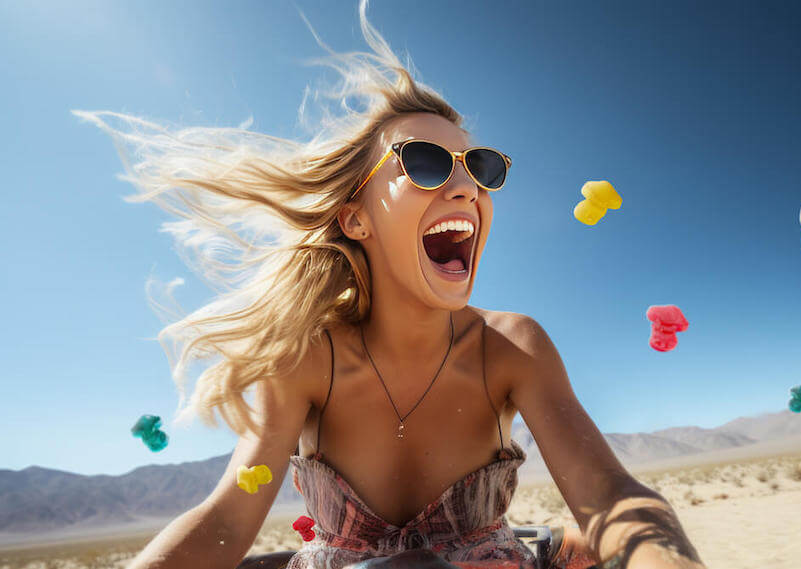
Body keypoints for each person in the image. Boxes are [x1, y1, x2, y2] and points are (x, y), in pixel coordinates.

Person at [77, 2, 706, 568]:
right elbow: (227, 518)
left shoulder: (514, 345)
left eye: (479, 167)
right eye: (427, 164)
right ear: (356, 217)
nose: (466, 187)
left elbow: (609, 497)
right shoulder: (305, 358)